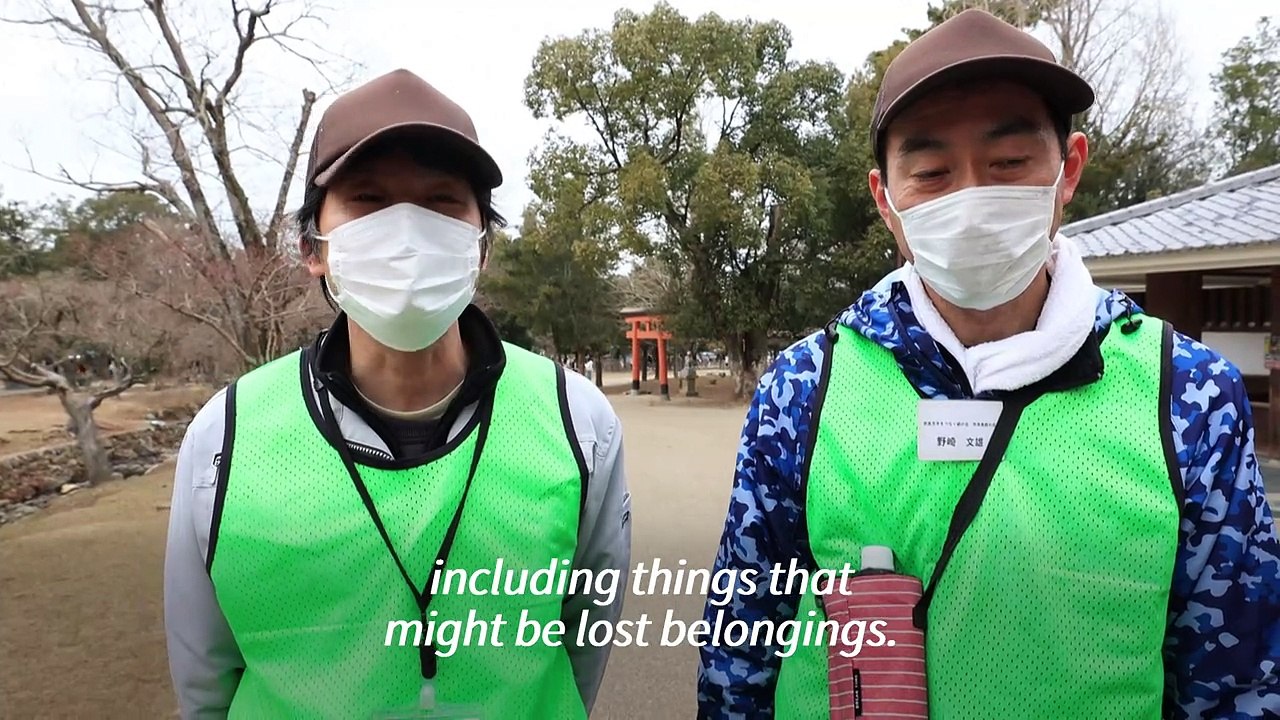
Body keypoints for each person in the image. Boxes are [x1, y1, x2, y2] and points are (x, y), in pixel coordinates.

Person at [698, 10, 1280, 720]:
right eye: (932, 172)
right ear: (886, 200)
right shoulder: (801, 390)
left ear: (1068, 170)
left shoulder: (1190, 397)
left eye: (1008, 164)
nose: (971, 201)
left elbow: (1238, 682)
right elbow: (740, 653)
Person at [164, 69, 631, 719]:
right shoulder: (228, 437)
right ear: (312, 247)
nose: (407, 232)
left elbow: (584, 636)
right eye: (369, 200)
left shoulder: (576, 421)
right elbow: (205, 674)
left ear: (482, 247)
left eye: (442, 202)